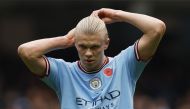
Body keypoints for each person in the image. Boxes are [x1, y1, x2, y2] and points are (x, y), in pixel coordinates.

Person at [18, 8, 166, 109]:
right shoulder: (64, 73)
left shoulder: (125, 65)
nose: (88, 53)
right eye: (82, 46)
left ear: (106, 43)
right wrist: (65, 40)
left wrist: (116, 14)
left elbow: (157, 28)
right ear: (75, 44)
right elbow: (26, 52)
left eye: (94, 47)